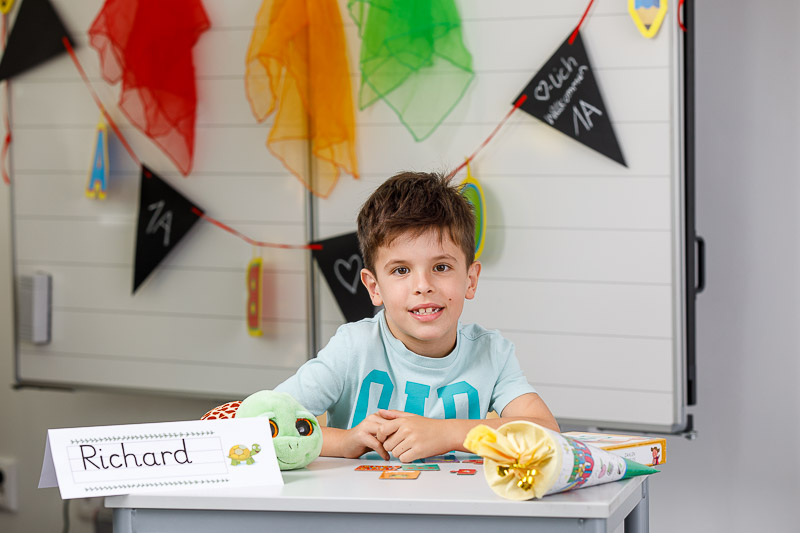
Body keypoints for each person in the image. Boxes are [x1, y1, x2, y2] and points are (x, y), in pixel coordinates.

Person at [275, 171, 559, 462]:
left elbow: (548, 432)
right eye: (401, 270)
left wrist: (448, 433)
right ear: (374, 287)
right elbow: (263, 422)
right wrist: (344, 442)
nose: (423, 286)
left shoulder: (492, 353)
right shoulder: (352, 348)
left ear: (470, 280)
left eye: (441, 267)